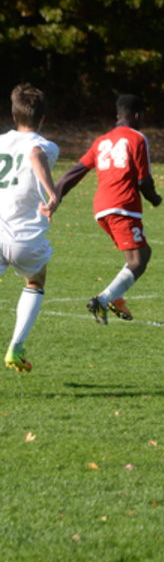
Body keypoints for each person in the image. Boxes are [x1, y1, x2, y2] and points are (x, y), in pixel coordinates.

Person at [55, 94, 162, 324]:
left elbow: (76, 171)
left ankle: (116, 297)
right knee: (138, 260)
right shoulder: (138, 138)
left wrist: (56, 195)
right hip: (123, 207)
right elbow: (144, 181)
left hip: (101, 208)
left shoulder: (101, 141)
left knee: (141, 253)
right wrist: (155, 199)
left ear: (117, 115)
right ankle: (103, 300)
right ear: (137, 116)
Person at [0, 83, 59, 372]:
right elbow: (35, 154)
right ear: (43, 118)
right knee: (35, 282)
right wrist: (53, 193)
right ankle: (16, 345)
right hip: (26, 236)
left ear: (14, 115)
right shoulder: (47, 146)